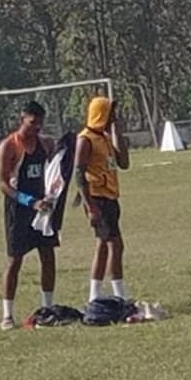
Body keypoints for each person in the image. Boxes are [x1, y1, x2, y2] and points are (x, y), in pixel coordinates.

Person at [0, 101, 57, 331]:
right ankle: (7, 315)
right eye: (33, 123)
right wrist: (29, 202)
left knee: (48, 256)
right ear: (23, 118)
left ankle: (47, 309)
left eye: (40, 123)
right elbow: (3, 184)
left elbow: (56, 170)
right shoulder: (9, 146)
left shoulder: (46, 144)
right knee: (15, 260)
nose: (37, 127)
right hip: (19, 209)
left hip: (43, 209)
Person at [75, 97, 131, 303]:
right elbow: (79, 173)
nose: (113, 117)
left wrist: (117, 132)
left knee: (103, 245)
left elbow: (123, 163)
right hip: (97, 197)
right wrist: (89, 206)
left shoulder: (105, 138)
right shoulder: (85, 139)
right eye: (110, 114)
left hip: (110, 196)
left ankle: (95, 294)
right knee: (115, 245)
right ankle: (119, 293)